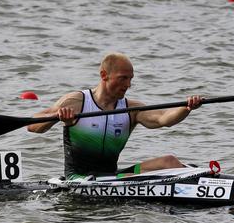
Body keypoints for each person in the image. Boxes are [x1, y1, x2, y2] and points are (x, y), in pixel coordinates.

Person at [27, 53, 203, 178]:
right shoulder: (76, 102)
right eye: (123, 78)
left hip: (112, 176)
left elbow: (163, 119)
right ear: (104, 75)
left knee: (169, 162)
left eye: (130, 79)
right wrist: (58, 117)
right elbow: (32, 126)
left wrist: (186, 108)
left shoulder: (131, 108)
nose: (128, 85)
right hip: (79, 179)